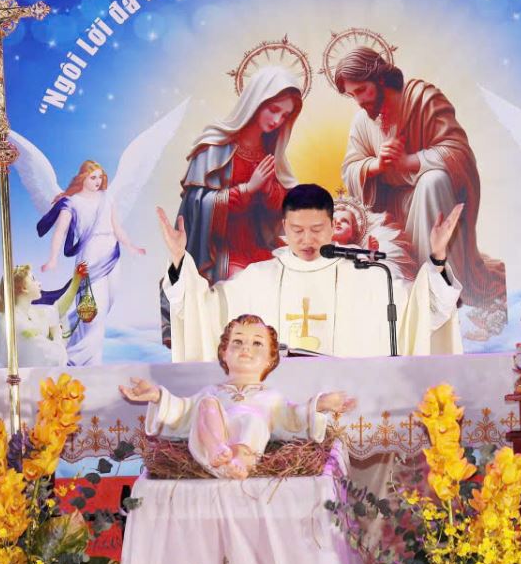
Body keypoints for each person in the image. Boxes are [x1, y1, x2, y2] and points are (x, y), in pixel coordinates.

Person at [157, 183, 464, 360]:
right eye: (297, 230)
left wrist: (438, 256)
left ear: (332, 226)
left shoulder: (368, 276)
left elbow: (426, 310)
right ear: (284, 227)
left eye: (317, 229)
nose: (307, 240)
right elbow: (201, 310)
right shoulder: (257, 279)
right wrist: (178, 259)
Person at [336, 47, 506, 328]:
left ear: (380, 79)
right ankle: (412, 294)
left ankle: (438, 291)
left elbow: (458, 151)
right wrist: (377, 165)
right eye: (352, 95)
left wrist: (409, 161)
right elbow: (350, 168)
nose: (359, 101)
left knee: (432, 181)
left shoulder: (422, 98)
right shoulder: (362, 121)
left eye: (362, 90)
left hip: (434, 200)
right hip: (393, 208)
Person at [119, 315, 356, 479]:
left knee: (252, 420)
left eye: (257, 343)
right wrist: (158, 396)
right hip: (210, 447)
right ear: (224, 352)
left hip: (244, 452)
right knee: (206, 404)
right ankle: (217, 451)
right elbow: (182, 412)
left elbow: (292, 417)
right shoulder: (212, 391)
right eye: (238, 342)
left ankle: (237, 463)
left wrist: (319, 404)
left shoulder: (270, 397)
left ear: (270, 359)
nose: (246, 348)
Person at [179, 67, 303, 283]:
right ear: (256, 101)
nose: (277, 120)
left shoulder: (270, 154)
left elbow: (283, 209)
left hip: (258, 244)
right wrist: (247, 189)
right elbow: (194, 206)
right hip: (220, 250)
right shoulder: (214, 149)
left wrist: (269, 191)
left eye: (284, 115)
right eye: (273, 109)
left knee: (292, 276)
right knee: (247, 282)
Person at [36, 160, 146, 366]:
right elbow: (59, 232)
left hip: (112, 254)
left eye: (100, 177)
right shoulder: (72, 203)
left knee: (106, 305)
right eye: (93, 177)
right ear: (83, 178)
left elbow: (117, 227)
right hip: (90, 256)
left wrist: (131, 246)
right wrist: (53, 259)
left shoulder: (107, 198)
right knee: (95, 310)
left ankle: (89, 358)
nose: (97, 181)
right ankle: (75, 358)